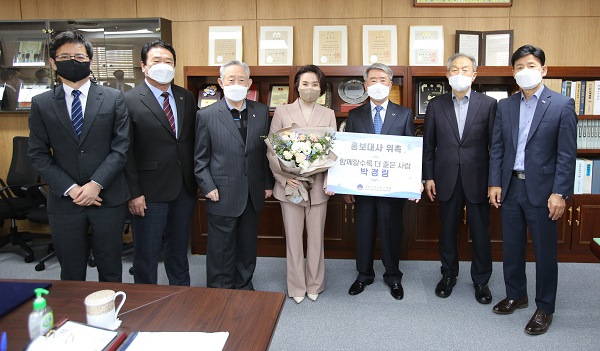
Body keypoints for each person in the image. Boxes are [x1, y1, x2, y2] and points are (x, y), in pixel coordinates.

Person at [27, 30, 130, 282]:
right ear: (53, 62)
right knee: (71, 271)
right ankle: (72, 320)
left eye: (79, 56)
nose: (72, 61)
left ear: (90, 61)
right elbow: (38, 154)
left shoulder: (113, 98)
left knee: (111, 268)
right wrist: (72, 189)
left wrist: (95, 185)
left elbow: (122, 147)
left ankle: (111, 316)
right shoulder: (41, 103)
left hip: (107, 196)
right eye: (65, 56)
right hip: (65, 200)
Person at [489, 45, 577, 335]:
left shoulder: (562, 104)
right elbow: (498, 148)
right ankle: (517, 294)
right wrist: (495, 182)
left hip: (544, 191)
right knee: (512, 247)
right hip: (512, 186)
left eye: (531, 65)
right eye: (519, 66)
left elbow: (566, 154)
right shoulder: (505, 106)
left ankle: (545, 307)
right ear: (513, 73)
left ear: (543, 69)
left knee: (544, 252)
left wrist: (560, 193)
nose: (525, 70)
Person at [422, 53, 497, 304]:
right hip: (445, 177)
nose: (459, 74)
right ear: (447, 75)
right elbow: (428, 145)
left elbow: (495, 147)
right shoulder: (436, 104)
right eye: (454, 69)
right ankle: (448, 275)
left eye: (465, 69)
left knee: (480, 232)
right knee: (447, 230)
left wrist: (493, 180)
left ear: (474, 75)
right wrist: (428, 177)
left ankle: (481, 280)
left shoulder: (488, 105)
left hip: (478, 178)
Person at [194, 60, 274, 290]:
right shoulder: (207, 115)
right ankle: (220, 288)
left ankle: (243, 284)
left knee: (247, 245)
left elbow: (264, 153)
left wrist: (267, 183)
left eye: (241, 80)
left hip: (253, 191)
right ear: (221, 83)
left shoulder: (260, 111)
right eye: (231, 79)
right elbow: (200, 158)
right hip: (221, 191)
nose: (236, 84)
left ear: (249, 83)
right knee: (221, 246)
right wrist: (207, 186)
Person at [124, 40, 197, 286]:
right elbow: (125, 152)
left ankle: (181, 295)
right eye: (157, 61)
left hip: (183, 188)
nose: (163, 66)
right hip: (149, 191)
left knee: (178, 250)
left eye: (169, 62)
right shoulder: (129, 100)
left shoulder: (185, 97)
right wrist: (134, 193)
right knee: (147, 251)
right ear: (144, 66)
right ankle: (146, 300)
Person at [344, 63, 415, 300]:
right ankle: (364, 274)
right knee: (363, 231)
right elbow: (348, 154)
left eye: (382, 80)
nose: (377, 84)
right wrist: (345, 185)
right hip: (363, 187)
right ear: (365, 85)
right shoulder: (354, 115)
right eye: (372, 80)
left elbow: (410, 152)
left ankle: (393, 276)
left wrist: (413, 183)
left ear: (390, 84)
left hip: (392, 188)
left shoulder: (404, 114)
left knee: (391, 232)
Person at [270, 65, 337, 303]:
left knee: (316, 238)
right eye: (305, 84)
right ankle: (297, 286)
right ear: (297, 86)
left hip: (318, 185)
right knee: (294, 238)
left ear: (321, 88)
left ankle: (315, 284)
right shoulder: (282, 110)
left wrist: (330, 181)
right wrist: (282, 177)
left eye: (315, 84)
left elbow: (332, 150)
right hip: (291, 184)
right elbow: (273, 148)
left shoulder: (328, 113)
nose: (310, 88)